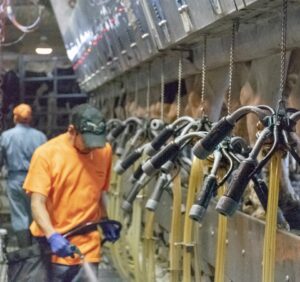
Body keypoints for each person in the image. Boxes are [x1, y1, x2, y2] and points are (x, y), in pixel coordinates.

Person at [23, 103, 120, 281]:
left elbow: (99, 192)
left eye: (96, 143)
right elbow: (37, 202)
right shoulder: (47, 154)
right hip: (54, 247)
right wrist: (52, 235)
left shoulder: (104, 151)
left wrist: (105, 220)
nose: (93, 148)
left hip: (89, 245)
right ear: (72, 130)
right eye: (87, 142)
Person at [0, 103, 47, 248]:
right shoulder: (40, 137)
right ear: (30, 118)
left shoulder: (6, 136)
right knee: (36, 212)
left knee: (19, 214)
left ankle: (24, 249)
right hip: (36, 180)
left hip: (15, 179)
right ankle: (36, 248)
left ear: (15, 118)